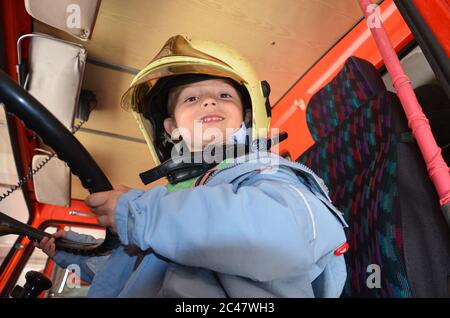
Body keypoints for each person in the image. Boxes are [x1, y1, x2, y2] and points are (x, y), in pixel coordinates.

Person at [36, 34, 348, 297]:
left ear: (247, 118)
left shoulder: (268, 174)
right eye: (191, 99)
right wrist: (69, 251)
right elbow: (135, 273)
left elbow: (280, 235)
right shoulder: (175, 205)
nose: (210, 101)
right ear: (171, 127)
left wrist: (141, 213)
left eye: (224, 94)